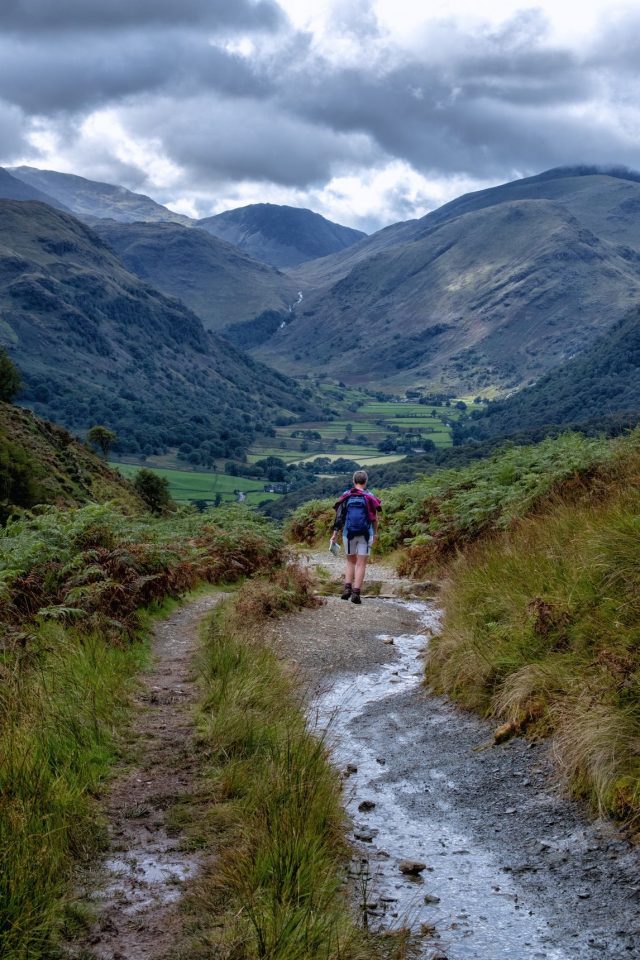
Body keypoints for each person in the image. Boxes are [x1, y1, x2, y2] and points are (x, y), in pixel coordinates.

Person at [330, 470, 381, 605]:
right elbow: (374, 518)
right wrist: (375, 533)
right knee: (361, 563)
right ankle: (356, 593)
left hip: (349, 533)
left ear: (354, 481)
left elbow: (339, 517)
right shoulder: (370, 496)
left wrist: (335, 534)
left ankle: (347, 589)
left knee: (350, 561)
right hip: (365, 533)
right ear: (365, 481)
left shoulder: (347, 495)